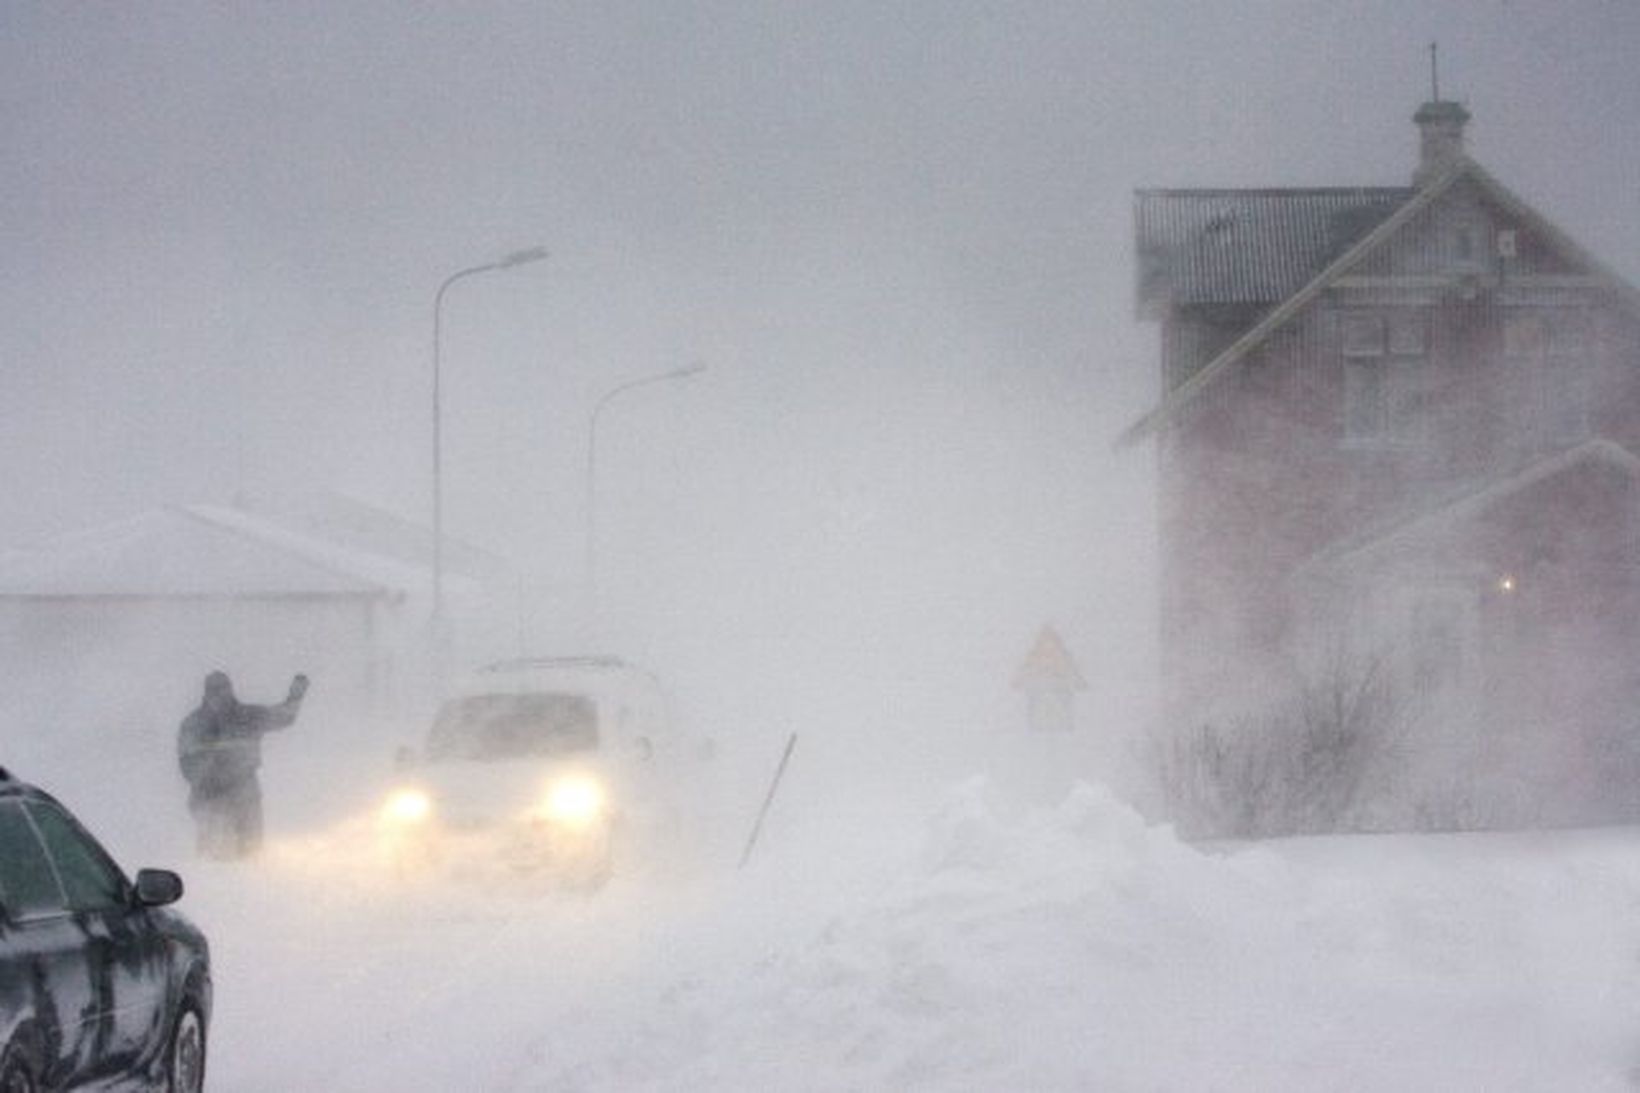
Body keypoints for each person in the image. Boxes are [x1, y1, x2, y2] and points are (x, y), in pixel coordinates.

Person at [177, 670, 308, 859]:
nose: (221, 696)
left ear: (231, 691)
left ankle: (247, 886)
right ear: (206, 694)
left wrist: (296, 695)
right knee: (215, 857)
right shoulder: (194, 725)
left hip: (246, 798)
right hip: (211, 801)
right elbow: (186, 763)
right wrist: (209, 783)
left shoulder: (247, 716)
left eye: (224, 690)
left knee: (250, 854)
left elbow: (283, 717)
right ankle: (211, 884)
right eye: (216, 691)